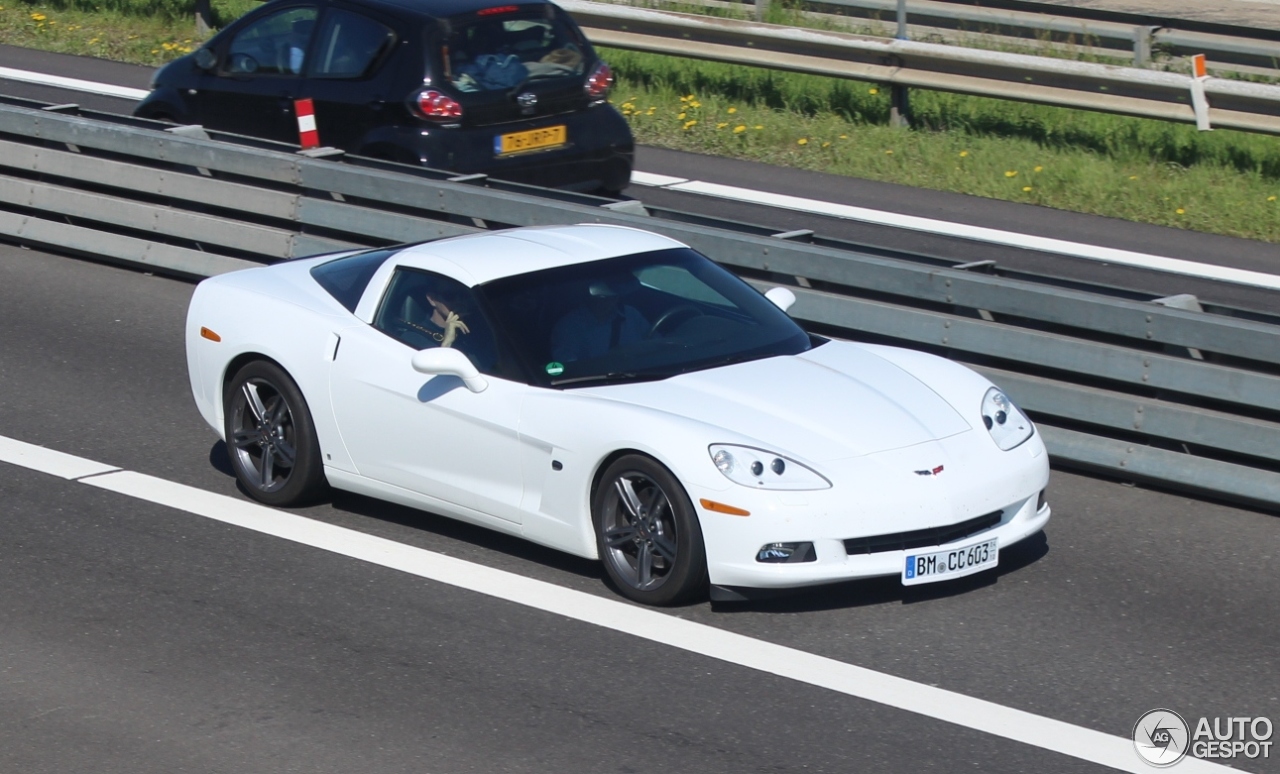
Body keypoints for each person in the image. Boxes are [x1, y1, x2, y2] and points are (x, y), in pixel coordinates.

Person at [551, 279, 648, 363]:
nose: (607, 302)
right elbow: (569, 368)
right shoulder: (568, 327)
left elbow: (656, 343)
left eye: (613, 296)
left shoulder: (631, 314)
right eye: (601, 297)